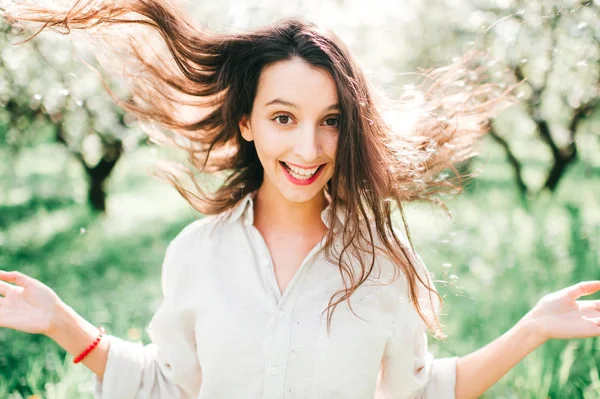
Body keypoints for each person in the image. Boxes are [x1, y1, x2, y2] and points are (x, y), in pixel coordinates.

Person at [1, 1, 599, 398]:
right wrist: (61, 323)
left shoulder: (381, 262)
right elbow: (168, 384)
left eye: (331, 120)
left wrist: (532, 330)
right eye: (283, 117)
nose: (309, 147)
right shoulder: (197, 253)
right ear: (246, 123)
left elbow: (420, 392)